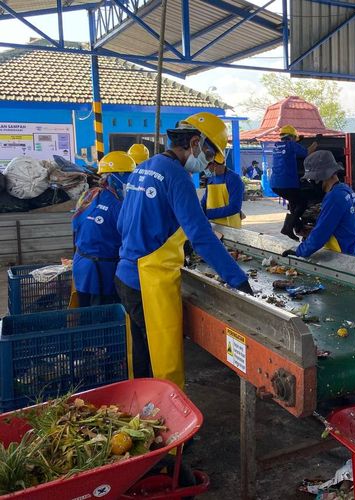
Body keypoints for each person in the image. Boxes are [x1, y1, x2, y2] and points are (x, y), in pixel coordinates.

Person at [115, 111, 254, 388]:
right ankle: (171, 426)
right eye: (209, 152)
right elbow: (201, 236)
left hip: (125, 276)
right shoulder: (177, 176)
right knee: (165, 361)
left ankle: (141, 415)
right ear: (194, 143)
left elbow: (122, 223)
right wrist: (237, 279)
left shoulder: (144, 167)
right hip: (150, 282)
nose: (208, 161)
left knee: (142, 355)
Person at [71, 151, 134, 307]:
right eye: (129, 175)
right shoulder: (119, 206)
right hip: (101, 273)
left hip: (80, 266)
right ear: (117, 176)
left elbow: (75, 226)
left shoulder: (88, 195)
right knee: (103, 320)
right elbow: (131, 241)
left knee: (85, 316)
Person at [281, 150, 355, 259]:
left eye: (312, 179)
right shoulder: (347, 190)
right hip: (354, 254)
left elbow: (320, 235)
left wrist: (299, 251)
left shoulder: (334, 197)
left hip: (341, 259)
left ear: (321, 177)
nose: (311, 182)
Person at [270, 125, 316, 241]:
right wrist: (315, 144)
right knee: (302, 202)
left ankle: (297, 226)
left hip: (275, 184)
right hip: (287, 183)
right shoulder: (291, 145)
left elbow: (288, 150)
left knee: (293, 203)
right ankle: (288, 227)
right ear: (292, 137)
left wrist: (297, 141)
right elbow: (307, 152)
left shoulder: (276, 146)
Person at [200, 160, 244, 229]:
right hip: (213, 224)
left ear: (214, 165)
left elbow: (235, 207)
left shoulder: (233, 178)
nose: (205, 170)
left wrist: (208, 214)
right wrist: (199, 211)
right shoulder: (211, 178)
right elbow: (205, 200)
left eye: (206, 167)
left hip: (231, 226)